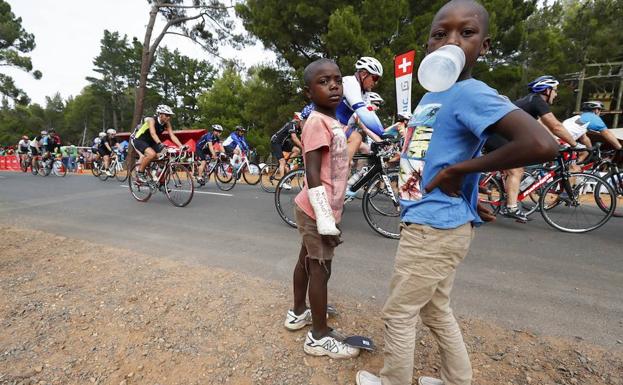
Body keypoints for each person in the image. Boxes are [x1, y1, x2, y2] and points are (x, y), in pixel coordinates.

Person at [355, 1, 558, 385]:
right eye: (440, 33)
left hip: (432, 229)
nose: (451, 41)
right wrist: (468, 189)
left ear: (483, 46)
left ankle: (392, 381)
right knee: (435, 310)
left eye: (466, 33)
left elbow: (541, 143)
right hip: (436, 219)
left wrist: (460, 171)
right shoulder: (434, 95)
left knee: (398, 313)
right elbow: (443, 154)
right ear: (429, 45)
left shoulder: (471, 93)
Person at [284, 58, 359, 359]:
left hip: (319, 208)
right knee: (320, 269)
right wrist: (326, 219)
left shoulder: (332, 120)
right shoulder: (316, 122)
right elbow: (312, 173)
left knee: (307, 260)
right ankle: (318, 336)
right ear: (308, 92)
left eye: (337, 80)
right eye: (323, 81)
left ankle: (299, 311)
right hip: (318, 210)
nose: (333, 86)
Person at [485, 75, 577, 222]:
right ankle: (511, 207)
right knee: (516, 170)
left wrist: (558, 142)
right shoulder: (537, 101)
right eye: (555, 90)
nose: (556, 94)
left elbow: (543, 127)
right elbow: (556, 126)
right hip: (496, 136)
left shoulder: (530, 102)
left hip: (500, 136)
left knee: (521, 162)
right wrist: (574, 144)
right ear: (547, 90)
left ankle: (506, 189)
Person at [302, 56, 386, 163]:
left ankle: (342, 172)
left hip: (334, 123)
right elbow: (362, 113)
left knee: (360, 150)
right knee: (356, 140)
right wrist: (383, 134)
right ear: (364, 74)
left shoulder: (364, 93)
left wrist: (383, 135)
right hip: (316, 119)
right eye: (375, 78)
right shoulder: (351, 83)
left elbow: (370, 115)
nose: (376, 82)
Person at [132, 104, 186, 182]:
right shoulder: (151, 120)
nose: (169, 117)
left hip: (152, 142)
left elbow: (172, 135)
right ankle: (140, 172)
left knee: (165, 159)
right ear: (160, 114)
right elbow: (153, 133)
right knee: (152, 154)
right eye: (167, 115)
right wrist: (160, 144)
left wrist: (181, 146)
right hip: (140, 140)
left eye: (170, 116)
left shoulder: (167, 123)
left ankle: (160, 182)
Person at [270, 112, 303, 185]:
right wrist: (303, 147)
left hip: (283, 143)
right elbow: (294, 138)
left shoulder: (298, 127)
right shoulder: (292, 125)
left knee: (297, 150)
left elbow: (302, 135)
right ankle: (282, 182)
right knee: (282, 161)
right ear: (298, 121)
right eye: (302, 122)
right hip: (276, 142)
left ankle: (287, 164)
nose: (303, 123)